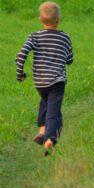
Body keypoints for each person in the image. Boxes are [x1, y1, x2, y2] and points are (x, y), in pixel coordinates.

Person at [15, 1, 73, 156]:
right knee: (54, 111)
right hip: (57, 81)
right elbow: (70, 59)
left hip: (40, 82)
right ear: (58, 19)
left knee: (45, 102)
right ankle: (50, 139)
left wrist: (20, 73)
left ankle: (42, 130)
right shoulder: (65, 38)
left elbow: (21, 55)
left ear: (41, 19)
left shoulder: (34, 36)